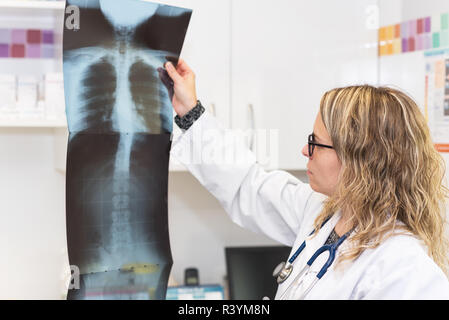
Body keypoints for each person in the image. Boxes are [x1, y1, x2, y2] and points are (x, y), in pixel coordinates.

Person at [161, 59, 449, 299]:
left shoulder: (405, 271)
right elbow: (249, 184)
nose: (304, 150)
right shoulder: (322, 212)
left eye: (316, 142)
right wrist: (191, 112)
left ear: (360, 160)